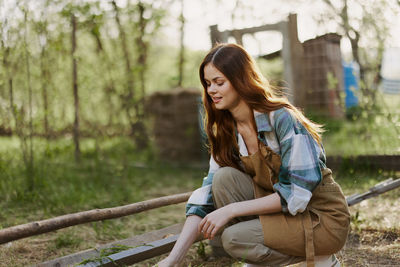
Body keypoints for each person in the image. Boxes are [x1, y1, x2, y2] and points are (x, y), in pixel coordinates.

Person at [156, 43, 350, 267]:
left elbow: (295, 195)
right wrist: (173, 258)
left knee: (234, 239)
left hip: (321, 219)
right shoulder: (227, 131)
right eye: (208, 84)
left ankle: (321, 259)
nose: (211, 90)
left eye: (219, 83)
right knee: (223, 179)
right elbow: (206, 197)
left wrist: (231, 210)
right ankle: (261, 255)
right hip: (287, 219)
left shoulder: (282, 119)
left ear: (241, 80)